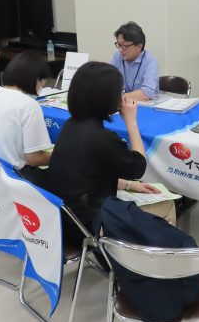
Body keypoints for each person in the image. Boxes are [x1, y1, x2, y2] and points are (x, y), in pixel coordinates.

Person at [46, 62, 175, 242]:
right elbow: (138, 167)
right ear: (106, 97)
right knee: (167, 204)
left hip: (65, 218)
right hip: (89, 224)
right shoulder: (101, 137)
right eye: (120, 92)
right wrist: (131, 122)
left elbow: (91, 173)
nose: (122, 96)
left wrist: (129, 185)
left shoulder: (71, 125)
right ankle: (152, 256)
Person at [0, 52, 51, 186]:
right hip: (11, 180)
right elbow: (34, 159)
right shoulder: (29, 105)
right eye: (42, 83)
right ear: (35, 80)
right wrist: (59, 156)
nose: (42, 87)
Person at [109, 22, 159, 101]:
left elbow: (147, 93)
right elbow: (108, 83)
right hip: (124, 103)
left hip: (146, 104)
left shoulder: (150, 61)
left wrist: (117, 98)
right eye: (119, 45)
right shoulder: (117, 56)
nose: (120, 49)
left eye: (124, 45)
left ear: (139, 46)